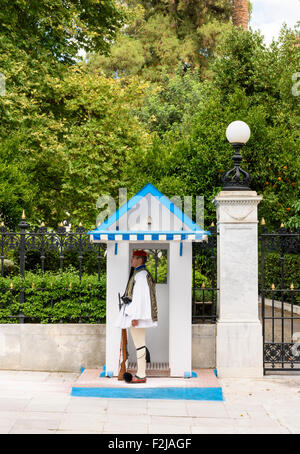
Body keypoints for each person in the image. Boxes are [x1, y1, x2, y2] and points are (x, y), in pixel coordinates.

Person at [116, 249, 158, 383]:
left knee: (139, 344)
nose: (131, 260)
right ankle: (141, 373)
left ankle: (141, 375)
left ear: (140, 260)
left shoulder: (140, 276)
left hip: (136, 316)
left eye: (133, 258)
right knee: (139, 344)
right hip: (135, 315)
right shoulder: (140, 274)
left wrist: (134, 317)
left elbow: (140, 299)